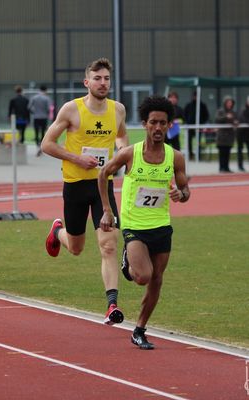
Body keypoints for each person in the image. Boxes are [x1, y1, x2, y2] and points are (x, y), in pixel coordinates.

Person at [98, 95, 191, 350]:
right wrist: (107, 210)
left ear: (169, 125)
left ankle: (139, 329)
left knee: (157, 280)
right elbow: (103, 173)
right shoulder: (130, 153)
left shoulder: (175, 158)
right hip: (134, 226)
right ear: (145, 125)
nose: (158, 128)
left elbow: (185, 191)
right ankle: (128, 263)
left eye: (163, 123)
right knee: (142, 277)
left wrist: (179, 195)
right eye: (153, 123)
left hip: (161, 225)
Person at [41, 57, 129, 325]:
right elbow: (47, 144)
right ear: (87, 82)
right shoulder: (71, 110)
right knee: (77, 248)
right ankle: (58, 231)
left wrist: (123, 153)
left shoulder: (118, 110)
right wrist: (77, 158)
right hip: (75, 185)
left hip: (103, 185)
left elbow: (122, 137)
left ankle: (112, 305)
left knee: (109, 245)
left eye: (106, 79)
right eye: (98, 78)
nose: (103, 83)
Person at [184, 91, 210, 159]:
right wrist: (187, 122)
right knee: (189, 141)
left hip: (199, 127)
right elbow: (185, 114)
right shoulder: (189, 105)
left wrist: (202, 123)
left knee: (198, 142)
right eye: (195, 96)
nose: (196, 98)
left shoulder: (202, 105)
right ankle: (190, 154)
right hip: (190, 127)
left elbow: (206, 115)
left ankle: (198, 155)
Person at [214, 95, 237, 173]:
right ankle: (221, 168)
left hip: (230, 136)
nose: (229, 104)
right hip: (221, 136)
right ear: (225, 103)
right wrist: (226, 117)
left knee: (228, 152)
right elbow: (217, 119)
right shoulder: (220, 111)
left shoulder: (233, 112)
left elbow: (235, 119)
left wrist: (235, 122)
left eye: (231, 103)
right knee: (222, 152)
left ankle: (227, 167)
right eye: (228, 102)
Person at [29, 85, 51, 156]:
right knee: (43, 132)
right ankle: (41, 148)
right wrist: (46, 113)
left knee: (36, 132)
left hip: (36, 117)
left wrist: (34, 112)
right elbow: (49, 108)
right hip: (44, 117)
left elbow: (29, 107)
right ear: (46, 90)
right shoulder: (47, 98)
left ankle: (37, 147)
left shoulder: (34, 97)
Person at [236, 96, 249, 172]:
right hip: (241, 134)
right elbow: (243, 119)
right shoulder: (243, 111)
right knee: (240, 150)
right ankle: (240, 166)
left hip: (248, 134)